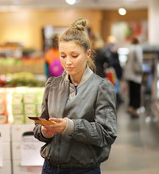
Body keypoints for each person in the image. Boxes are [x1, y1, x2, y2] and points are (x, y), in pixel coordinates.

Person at [33, 18, 117, 174]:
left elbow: (107, 133)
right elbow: (38, 128)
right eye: (63, 56)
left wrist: (70, 126)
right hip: (50, 168)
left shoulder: (101, 88)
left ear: (87, 54)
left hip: (83, 169)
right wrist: (45, 131)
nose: (68, 62)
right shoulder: (52, 85)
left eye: (74, 55)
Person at [123, 36, 143, 118]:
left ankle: (130, 107)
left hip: (129, 74)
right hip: (136, 74)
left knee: (131, 92)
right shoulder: (138, 48)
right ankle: (135, 110)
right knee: (136, 92)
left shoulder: (130, 48)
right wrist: (141, 70)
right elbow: (139, 60)